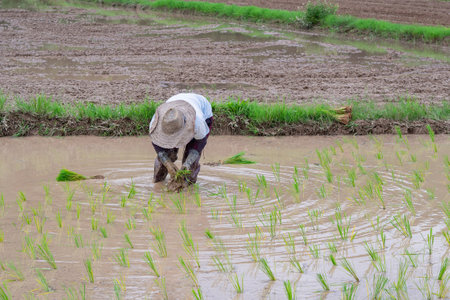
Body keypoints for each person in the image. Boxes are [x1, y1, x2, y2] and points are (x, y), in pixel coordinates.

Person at [149, 93, 213, 186]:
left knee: (189, 167)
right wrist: (167, 162)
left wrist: (188, 163)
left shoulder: (198, 123)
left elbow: (200, 143)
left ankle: (188, 189)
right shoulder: (156, 123)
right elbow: (157, 145)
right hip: (177, 104)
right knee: (165, 157)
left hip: (202, 110)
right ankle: (158, 183)